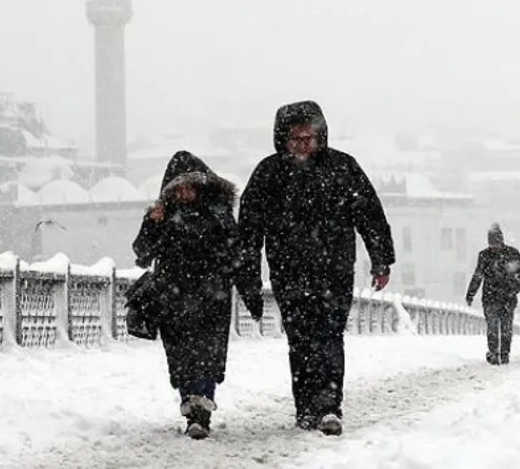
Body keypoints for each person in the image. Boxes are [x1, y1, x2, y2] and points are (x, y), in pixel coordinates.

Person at [237, 101, 396, 436]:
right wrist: (248, 275)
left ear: (321, 136)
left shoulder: (342, 167)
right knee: (300, 339)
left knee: (329, 336)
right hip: (288, 272)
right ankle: (306, 407)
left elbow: (369, 213)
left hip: (334, 270)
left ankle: (328, 406)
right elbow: (248, 230)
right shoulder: (268, 174)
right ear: (283, 139)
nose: (303, 145)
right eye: (296, 138)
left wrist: (381, 259)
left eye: (309, 137)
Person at [133, 151, 264, 440]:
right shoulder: (163, 216)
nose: (184, 193)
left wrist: (251, 294)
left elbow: (238, 257)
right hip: (173, 299)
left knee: (206, 356)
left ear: (202, 186)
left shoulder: (219, 216)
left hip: (211, 299)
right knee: (181, 358)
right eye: (178, 188)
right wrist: (152, 224)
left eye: (189, 186)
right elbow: (142, 255)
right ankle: (191, 405)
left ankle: (200, 411)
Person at [465, 224, 520, 365]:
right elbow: (478, 276)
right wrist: (470, 293)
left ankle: (504, 353)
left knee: (506, 327)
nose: (494, 246)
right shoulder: (485, 256)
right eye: (492, 243)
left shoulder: (512, 254)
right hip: (491, 298)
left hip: (506, 297)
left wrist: (514, 289)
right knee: (493, 327)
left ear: (501, 240)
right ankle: (494, 353)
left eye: (496, 243)